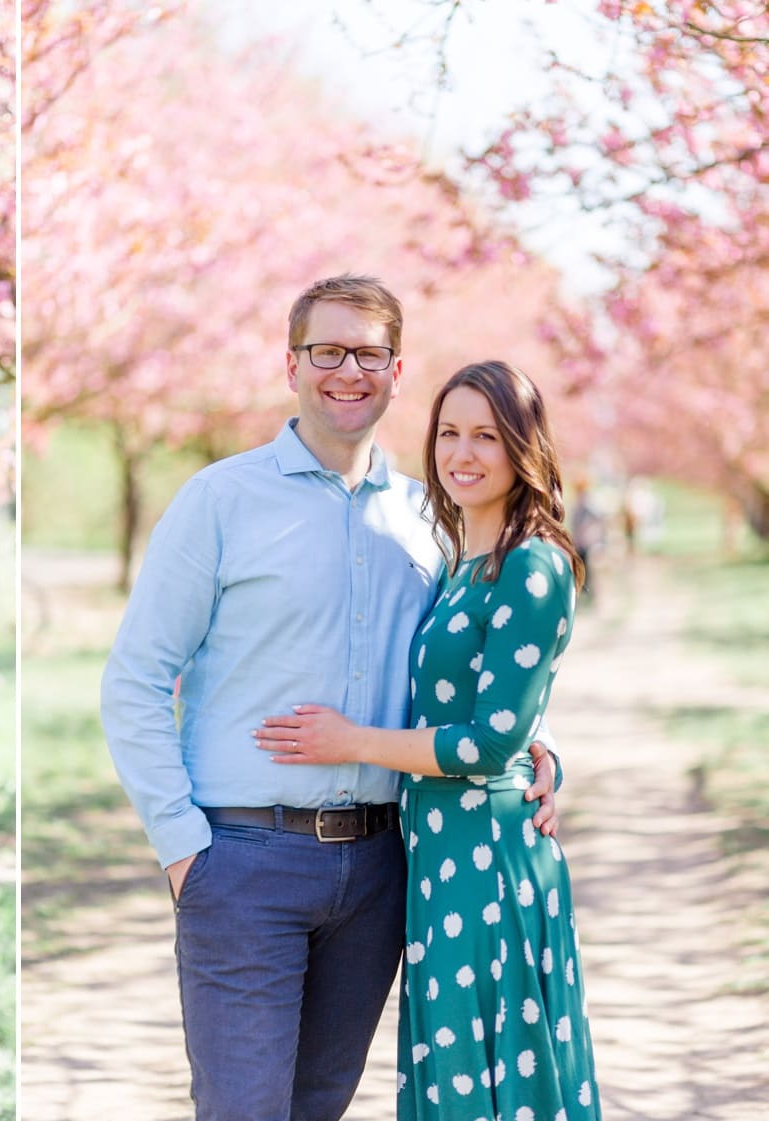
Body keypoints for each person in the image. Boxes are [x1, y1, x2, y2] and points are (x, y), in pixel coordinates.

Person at [99, 274, 558, 1121]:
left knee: (317, 1110)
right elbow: (133, 678)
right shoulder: (220, 500)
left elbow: (471, 669)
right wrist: (183, 850)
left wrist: (538, 748)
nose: (348, 370)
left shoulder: (431, 517)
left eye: (369, 353)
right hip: (242, 861)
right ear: (291, 364)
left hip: (385, 868)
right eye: (327, 350)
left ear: (395, 370)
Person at [255, 360, 600, 1120]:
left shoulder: (532, 564)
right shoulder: (461, 561)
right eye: (449, 432)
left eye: (487, 434)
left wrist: (351, 741)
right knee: (452, 1073)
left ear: (523, 447)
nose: (463, 452)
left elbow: (484, 742)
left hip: (490, 862)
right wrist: (543, 740)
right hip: (439, 861)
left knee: (491, 1077)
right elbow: (497, 707)